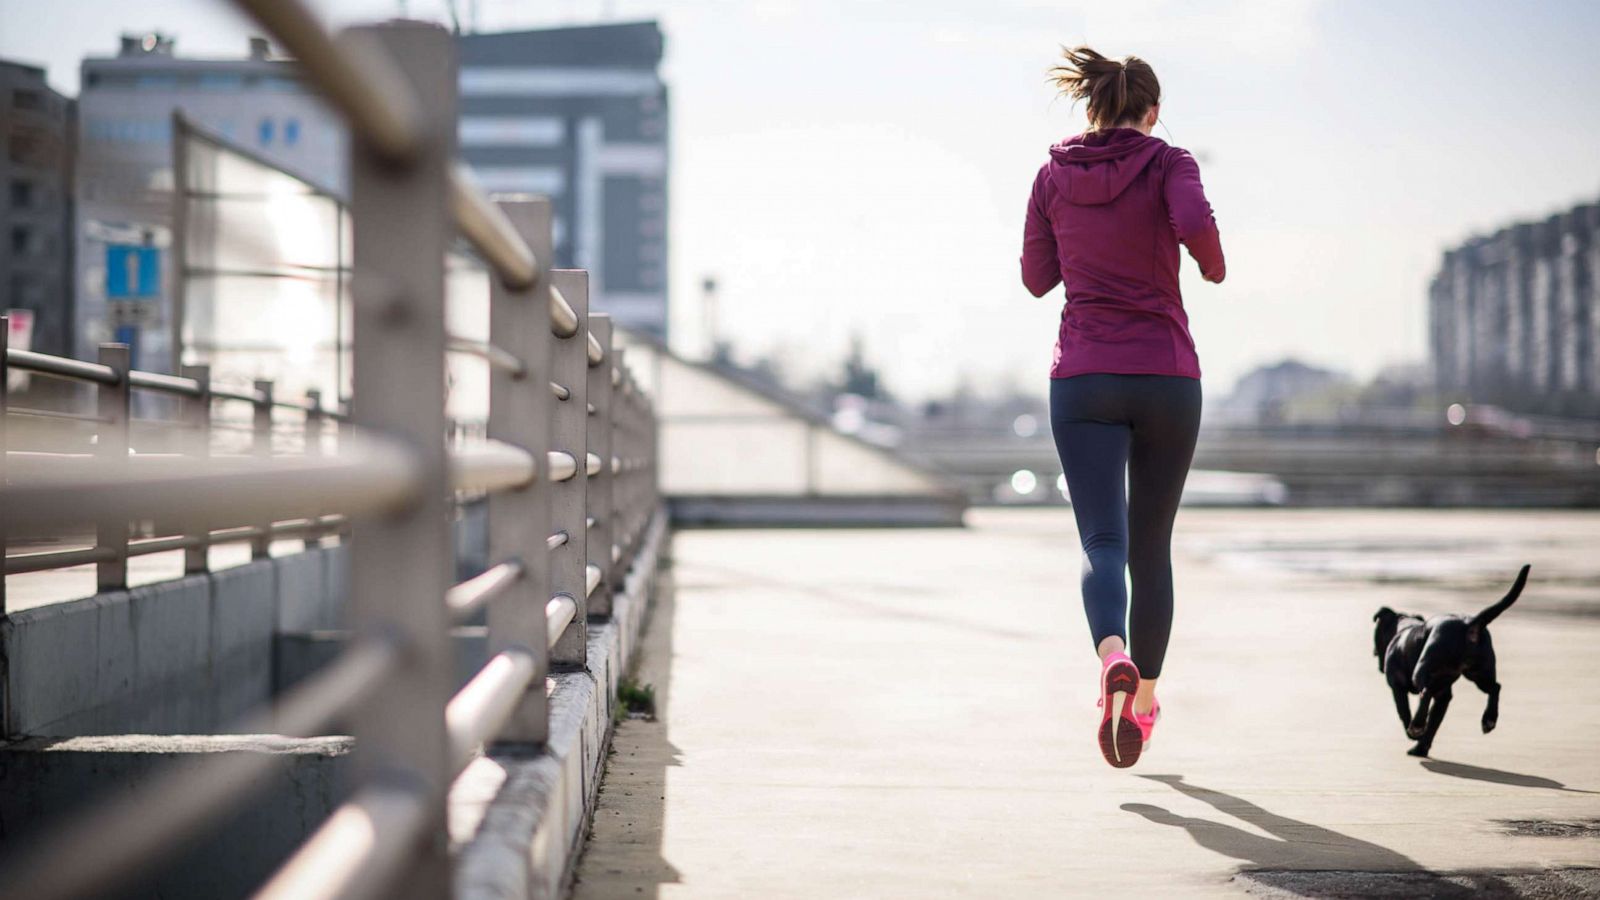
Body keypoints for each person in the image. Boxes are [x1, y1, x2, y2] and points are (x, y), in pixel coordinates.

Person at [1020, 46, 1225, 769]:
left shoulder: (1052, 176)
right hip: (1167, 374)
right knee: (1151, 548)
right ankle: (1144, 702)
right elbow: (1195, 220)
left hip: (1082, 378)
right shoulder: (1172, 163)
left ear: (1092, 108)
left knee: (1101, 545)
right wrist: (1210, 259)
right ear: (1153, 111)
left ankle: (1112, 657)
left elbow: (1037, 279)